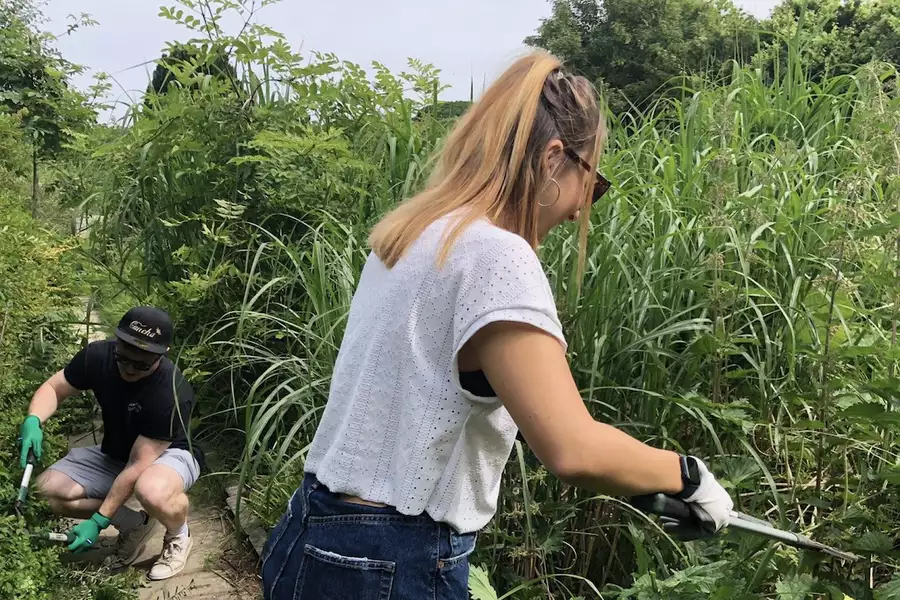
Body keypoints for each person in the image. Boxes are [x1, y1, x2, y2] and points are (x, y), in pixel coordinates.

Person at [260, 51, 734, 600]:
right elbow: (572, 448)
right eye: (593, 183)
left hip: (309, 532)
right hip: (391, 560)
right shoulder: (495, 255)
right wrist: (688, 475)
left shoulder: (409, 235)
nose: (584, 210)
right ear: (554, 159)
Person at [17, 306, 201, 581]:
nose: (130, 369)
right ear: (117, 342)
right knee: (45, 491)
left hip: (169, 453)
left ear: (163, 354)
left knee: (151, 491)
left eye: (142, 364)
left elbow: (138, 465)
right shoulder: (98, 356)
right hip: (117, 451)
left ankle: (178, 535)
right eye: (124, 359)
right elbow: (54, 388)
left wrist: (98, 521)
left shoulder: (171, 392)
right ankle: (134, 525)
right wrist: (34, 420)